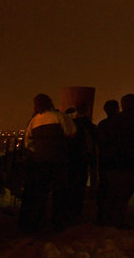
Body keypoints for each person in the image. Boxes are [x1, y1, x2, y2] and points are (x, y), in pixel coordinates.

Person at [19, 94, 77, 232]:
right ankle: (58, 223)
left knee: (40, 192)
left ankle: (37, 222)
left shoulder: (34, 121)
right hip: (59, 160)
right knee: (60, 193)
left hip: (40, 162)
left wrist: (39, 151)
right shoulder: (60, 117)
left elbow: (28, 143)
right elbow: (72, 132)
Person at [102, 94, 134, 228]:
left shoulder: (111, 122)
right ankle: (118, 221)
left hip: (114, 163)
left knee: (113, 195)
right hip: (131, 164)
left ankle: (110, 221)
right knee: (124, 196)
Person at [66, 102, 98, 222]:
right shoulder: (89, 126)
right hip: (83, 159)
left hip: (72, 159)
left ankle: (69, 211)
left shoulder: (72, 125)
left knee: (71, 185)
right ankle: (76, 211)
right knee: (79, 186)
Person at [96, 99, 120, 224]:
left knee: (104, 187)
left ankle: (101, 214)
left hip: (104, 160)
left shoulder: (102, 125)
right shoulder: (120, 125)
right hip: (117, 161)